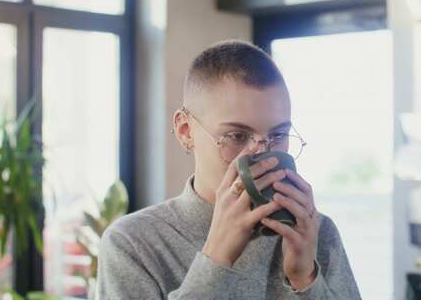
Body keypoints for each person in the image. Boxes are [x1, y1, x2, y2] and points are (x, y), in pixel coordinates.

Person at [96, 40, 361, 299]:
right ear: (185, 131)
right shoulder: (132, 244)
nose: (263, 155)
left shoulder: (317, 231)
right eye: (237, 136)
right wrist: (216, 260)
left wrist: (305, 279)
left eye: (278, 135)